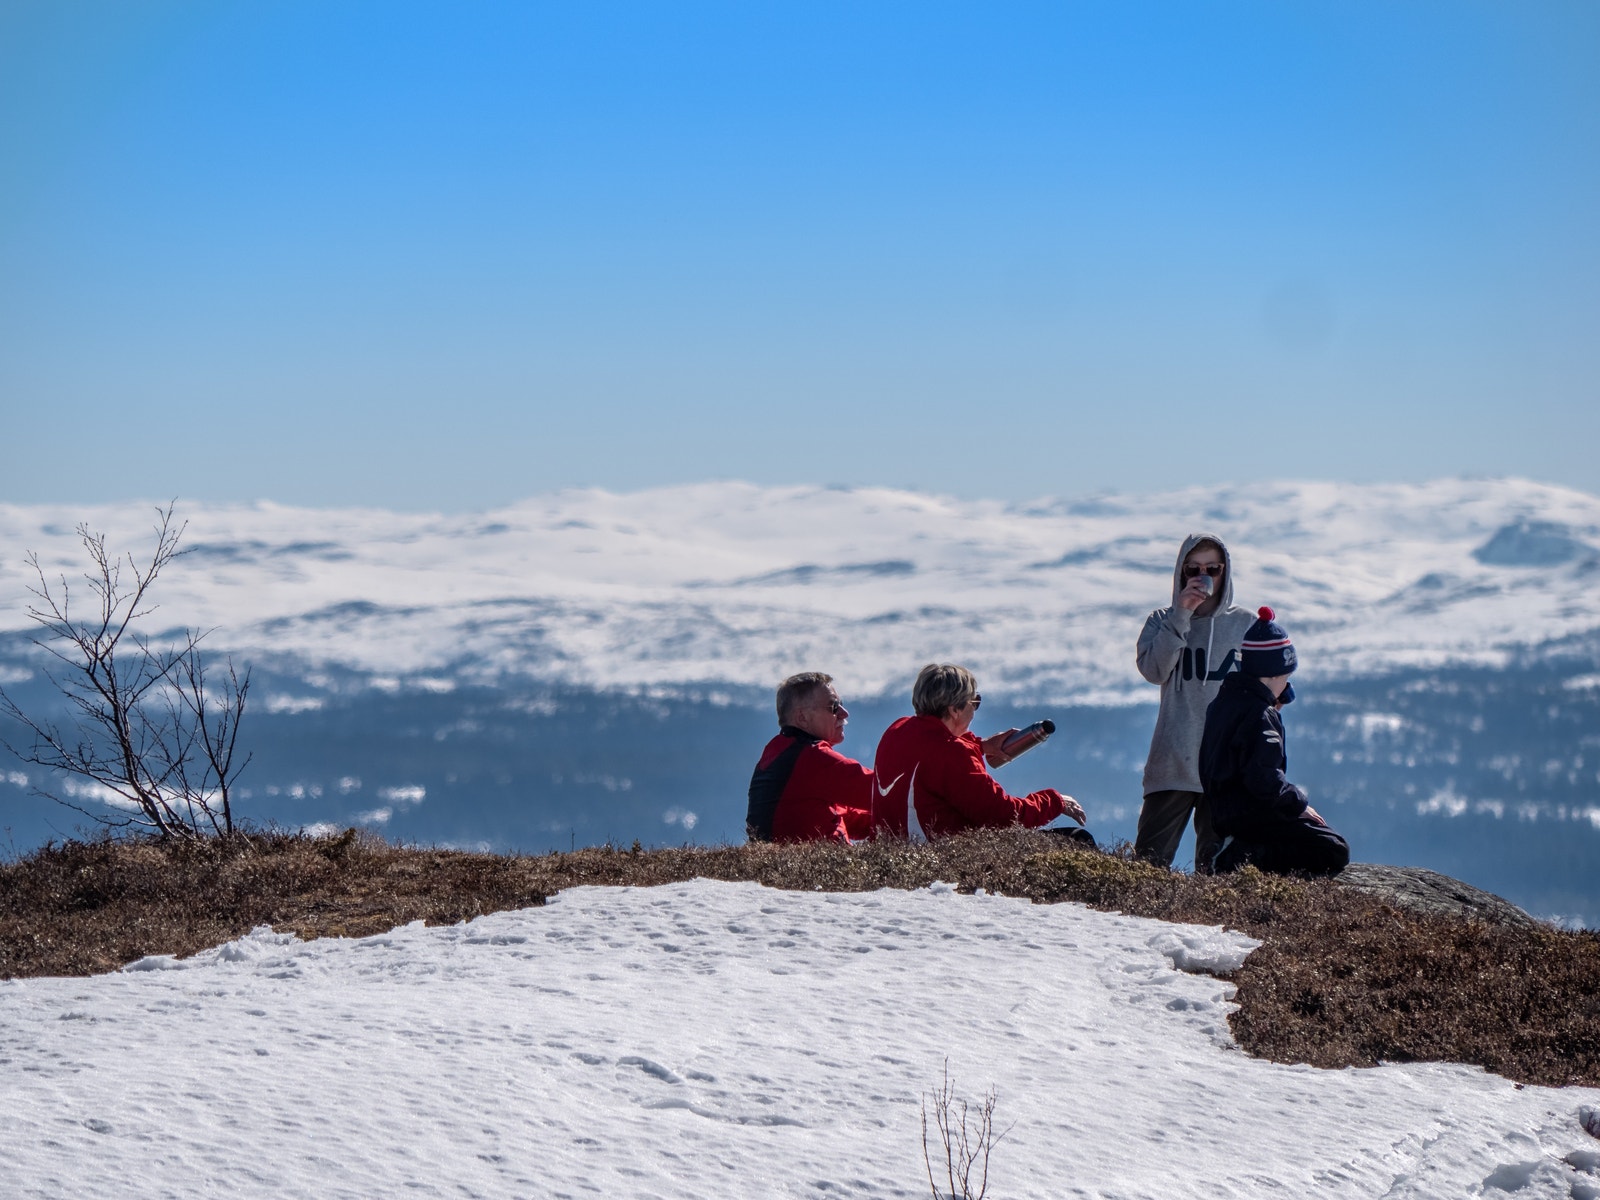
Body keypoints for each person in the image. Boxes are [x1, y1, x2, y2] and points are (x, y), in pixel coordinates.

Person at [1134, 533, 1257, 871]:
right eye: (1194, 569)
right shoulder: (1161, 620)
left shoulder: (1247, 626)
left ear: (1225, 572)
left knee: (1220, 874)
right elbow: (1155, 671)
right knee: (1147, 869)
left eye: (1212, 569)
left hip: (1226, 770)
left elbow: (1269, 689)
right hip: (1172, 764)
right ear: (1181, 572)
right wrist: (1181, 614)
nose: (1203, 577)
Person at [1200, 607, 1349, 876]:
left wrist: (1269, 699)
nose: (1288, 685)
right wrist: (1299, 805)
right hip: (1252, 814)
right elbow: (1263, 778)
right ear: (1272, 674)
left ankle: (1244, 851)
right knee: (1334, 849)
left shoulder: (1224, 702)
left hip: (1226, 813)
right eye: (1286, 677)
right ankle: (1243, 858)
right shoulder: (1258, 715)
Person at [870, 663, 1089, 841]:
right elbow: (1005, 816)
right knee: (1078, 840)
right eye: (974, 702)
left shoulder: (897, 731)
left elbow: (933, 754)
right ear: (954, 709)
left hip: (898, 856)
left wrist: (981, 746)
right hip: (941, 861)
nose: (975, 709)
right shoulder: (952, 754)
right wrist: (1054, 800)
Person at [746, 672, 873, 844]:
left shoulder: (777, 754)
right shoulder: (812, 758)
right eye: (833, 706)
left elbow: (847, 816)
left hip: (784, 866)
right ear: (802, 718)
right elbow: (882, 789)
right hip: (824, 869)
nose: (844, 713)